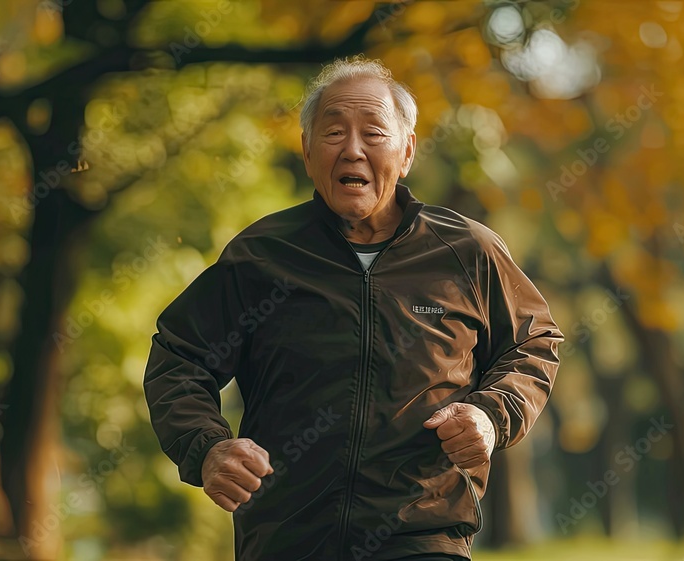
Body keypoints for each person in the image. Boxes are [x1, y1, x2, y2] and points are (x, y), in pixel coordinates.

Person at [144, 57, 563, 561]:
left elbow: (534, 342)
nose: (353, 149)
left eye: (373, 132)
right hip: (285, 539)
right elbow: (178, 356)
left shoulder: (465, 251)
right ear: (306, 149)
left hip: (422, 537)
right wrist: (207, 447)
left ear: (406, 152)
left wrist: (493, 416)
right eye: (334, 132)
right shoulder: (262, 255)